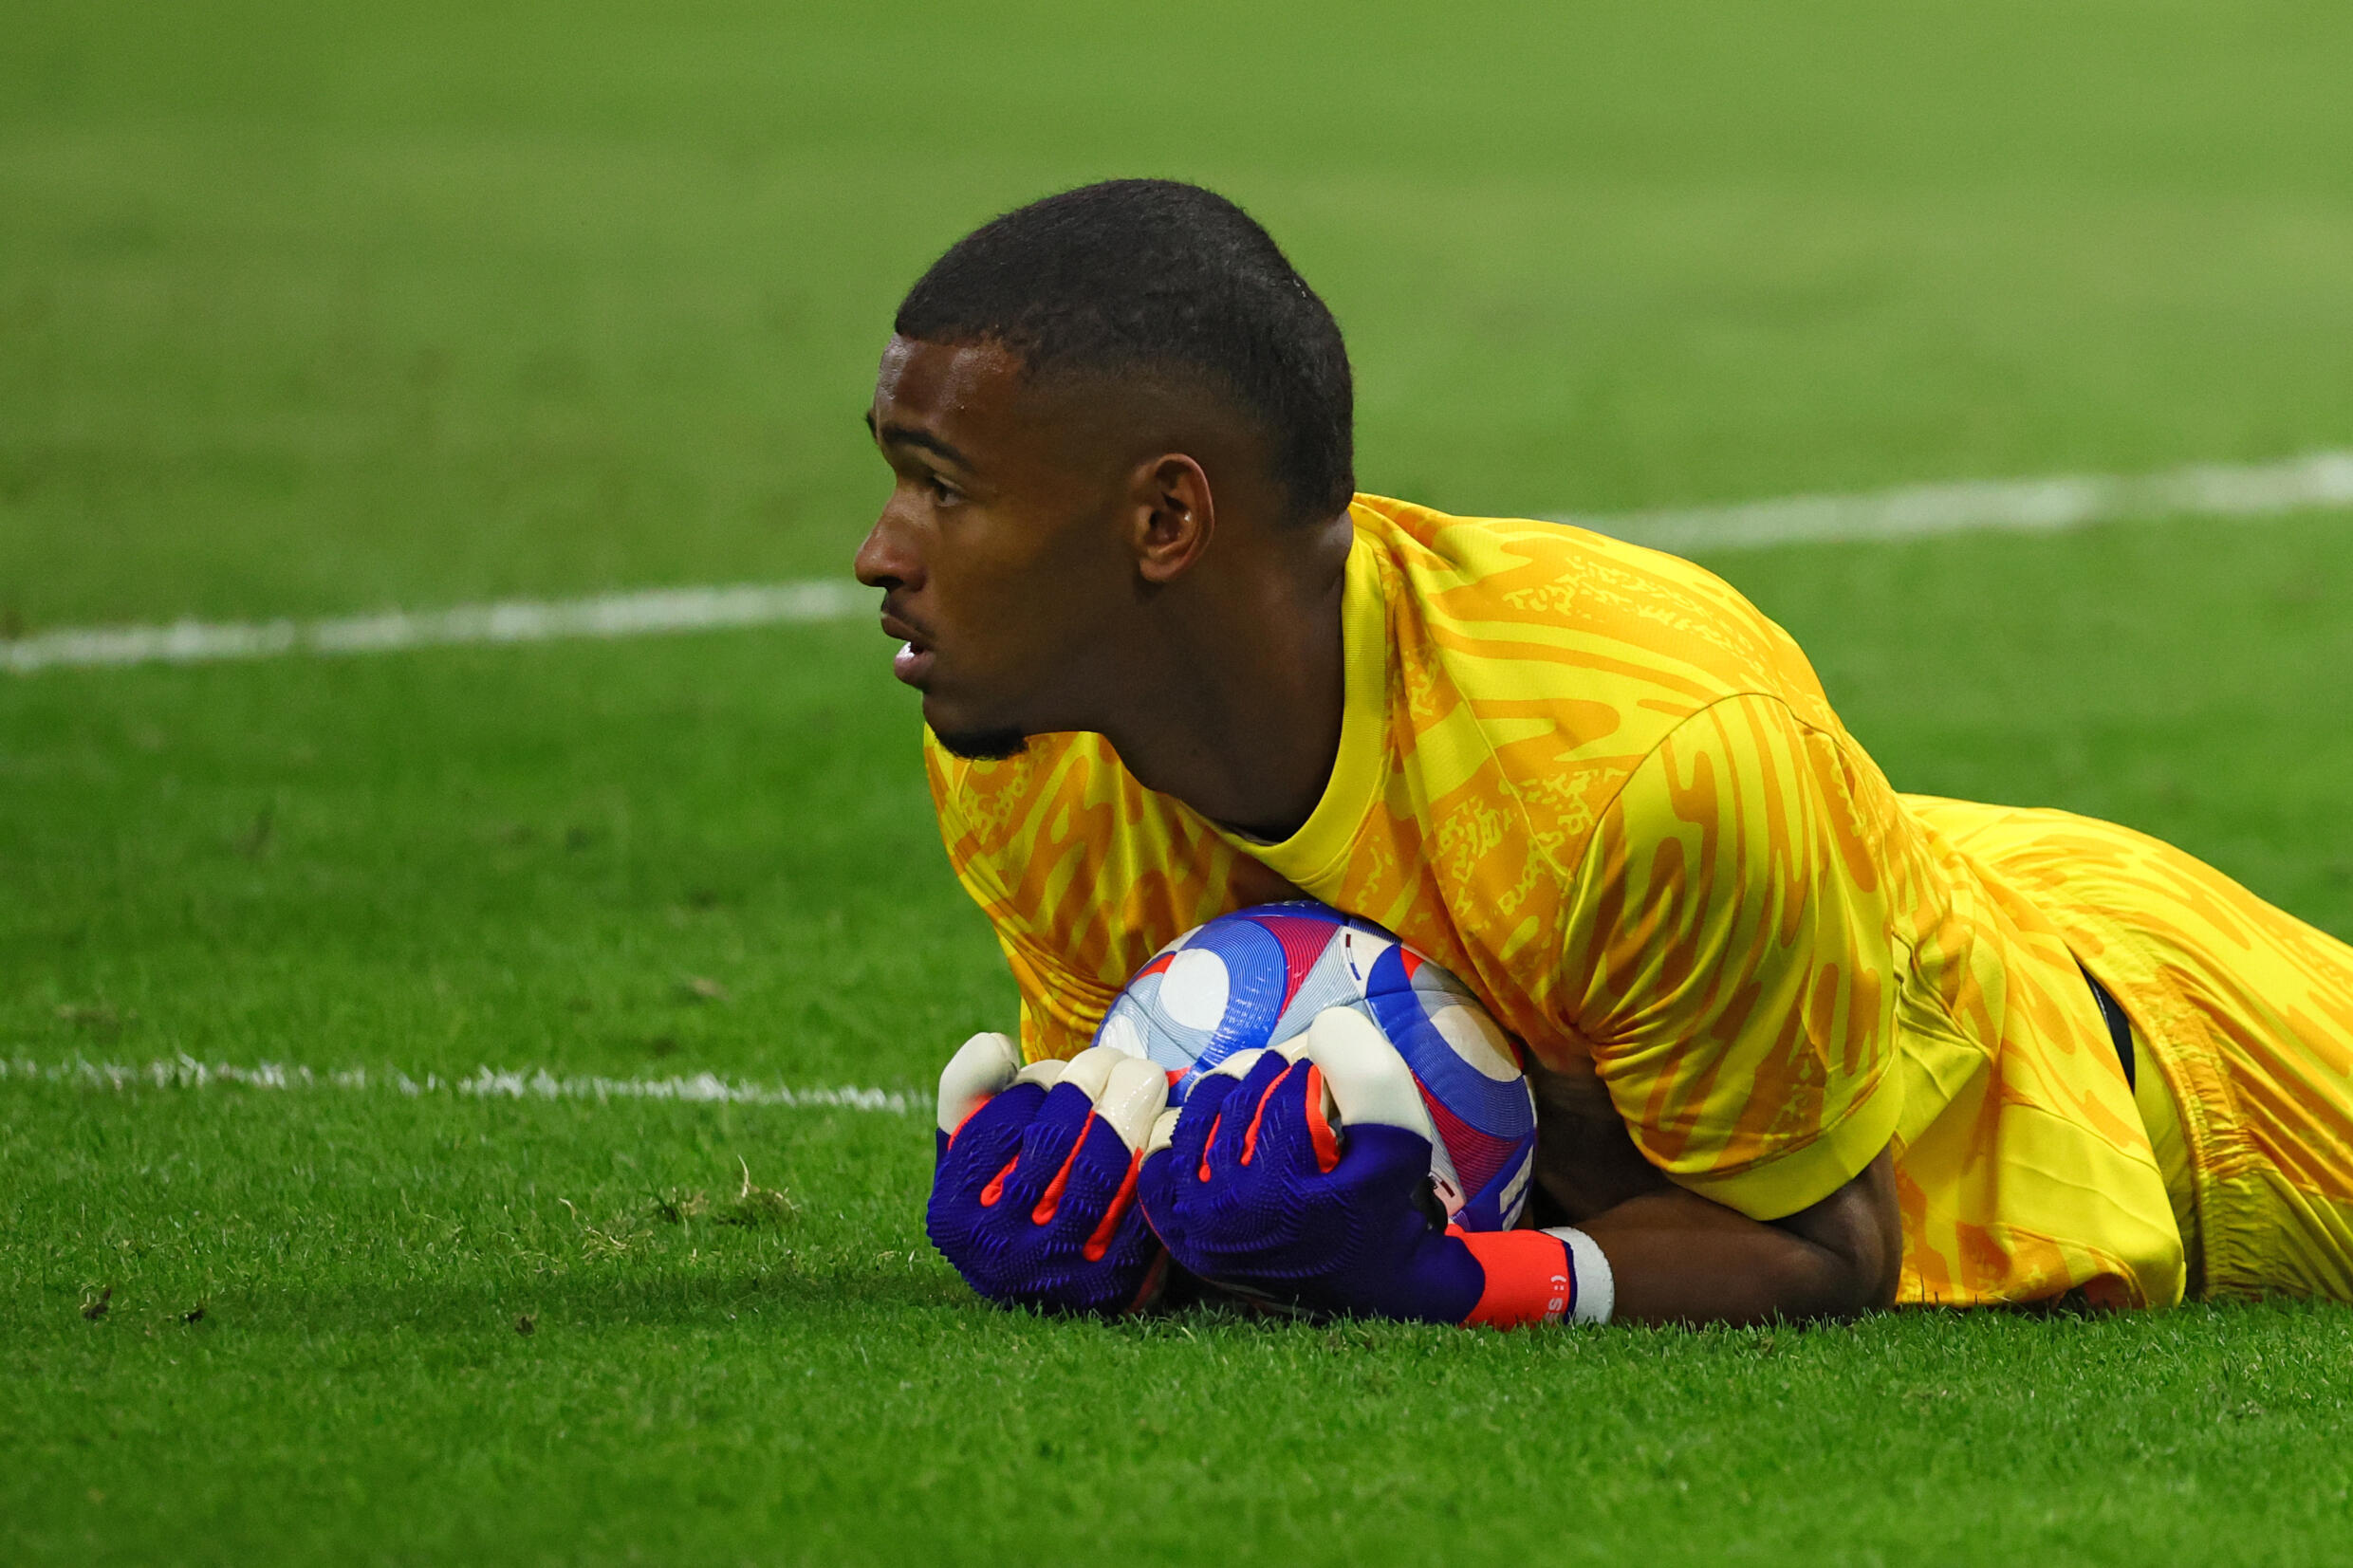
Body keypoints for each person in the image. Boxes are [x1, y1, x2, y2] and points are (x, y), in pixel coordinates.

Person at [857, 178, 2353, 1327]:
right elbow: (1215, 1165)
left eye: (941, 488)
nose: (879, 553)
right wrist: (1105, 1212)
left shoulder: (1640, 763)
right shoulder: (1025, 749)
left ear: (1165, 521)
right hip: (1834, 903)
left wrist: (1445, 1284)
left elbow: (1826, 1248)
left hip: (2165, 1065)